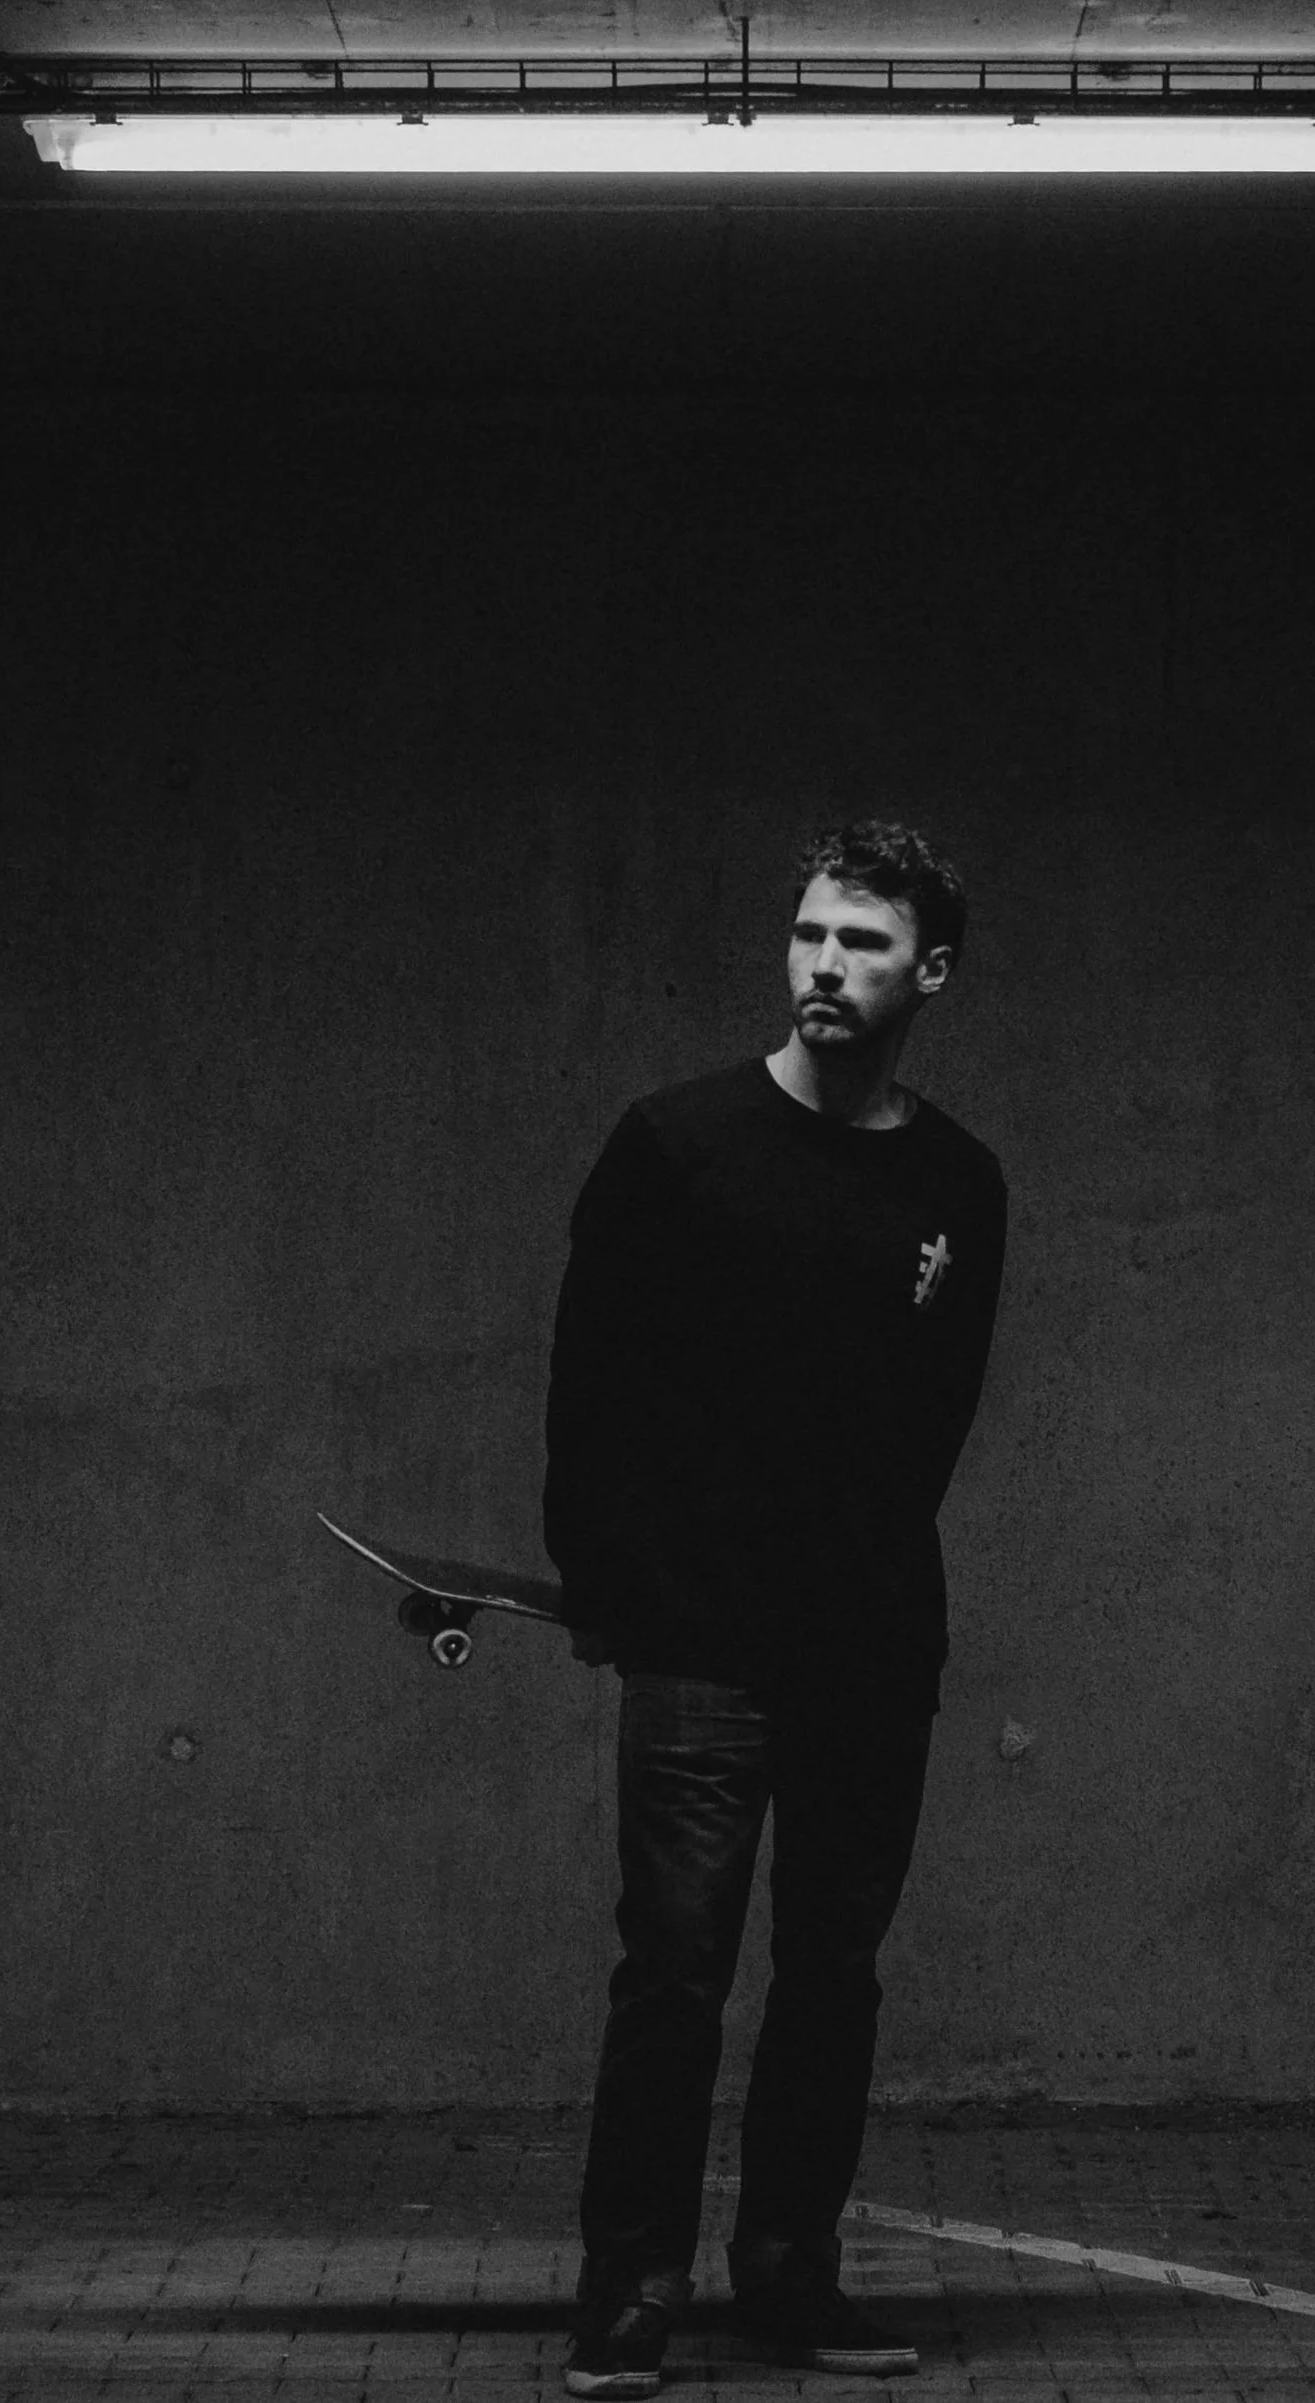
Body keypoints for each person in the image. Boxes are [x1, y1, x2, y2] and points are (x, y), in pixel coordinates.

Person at [544, 819, 1007, 2398]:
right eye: (809, 934)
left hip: (870, 1652)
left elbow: (935, 1417)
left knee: (832, 1971)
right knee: (673, 1969)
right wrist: (617, 1594)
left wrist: (862, 1581)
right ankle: (628, 2291)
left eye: (862, 943)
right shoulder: (675, 1144)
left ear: (927, 972)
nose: (823, 963)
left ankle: (790, 2269)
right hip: (697, 1650)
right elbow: (586, 1390)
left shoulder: (958, 1183)